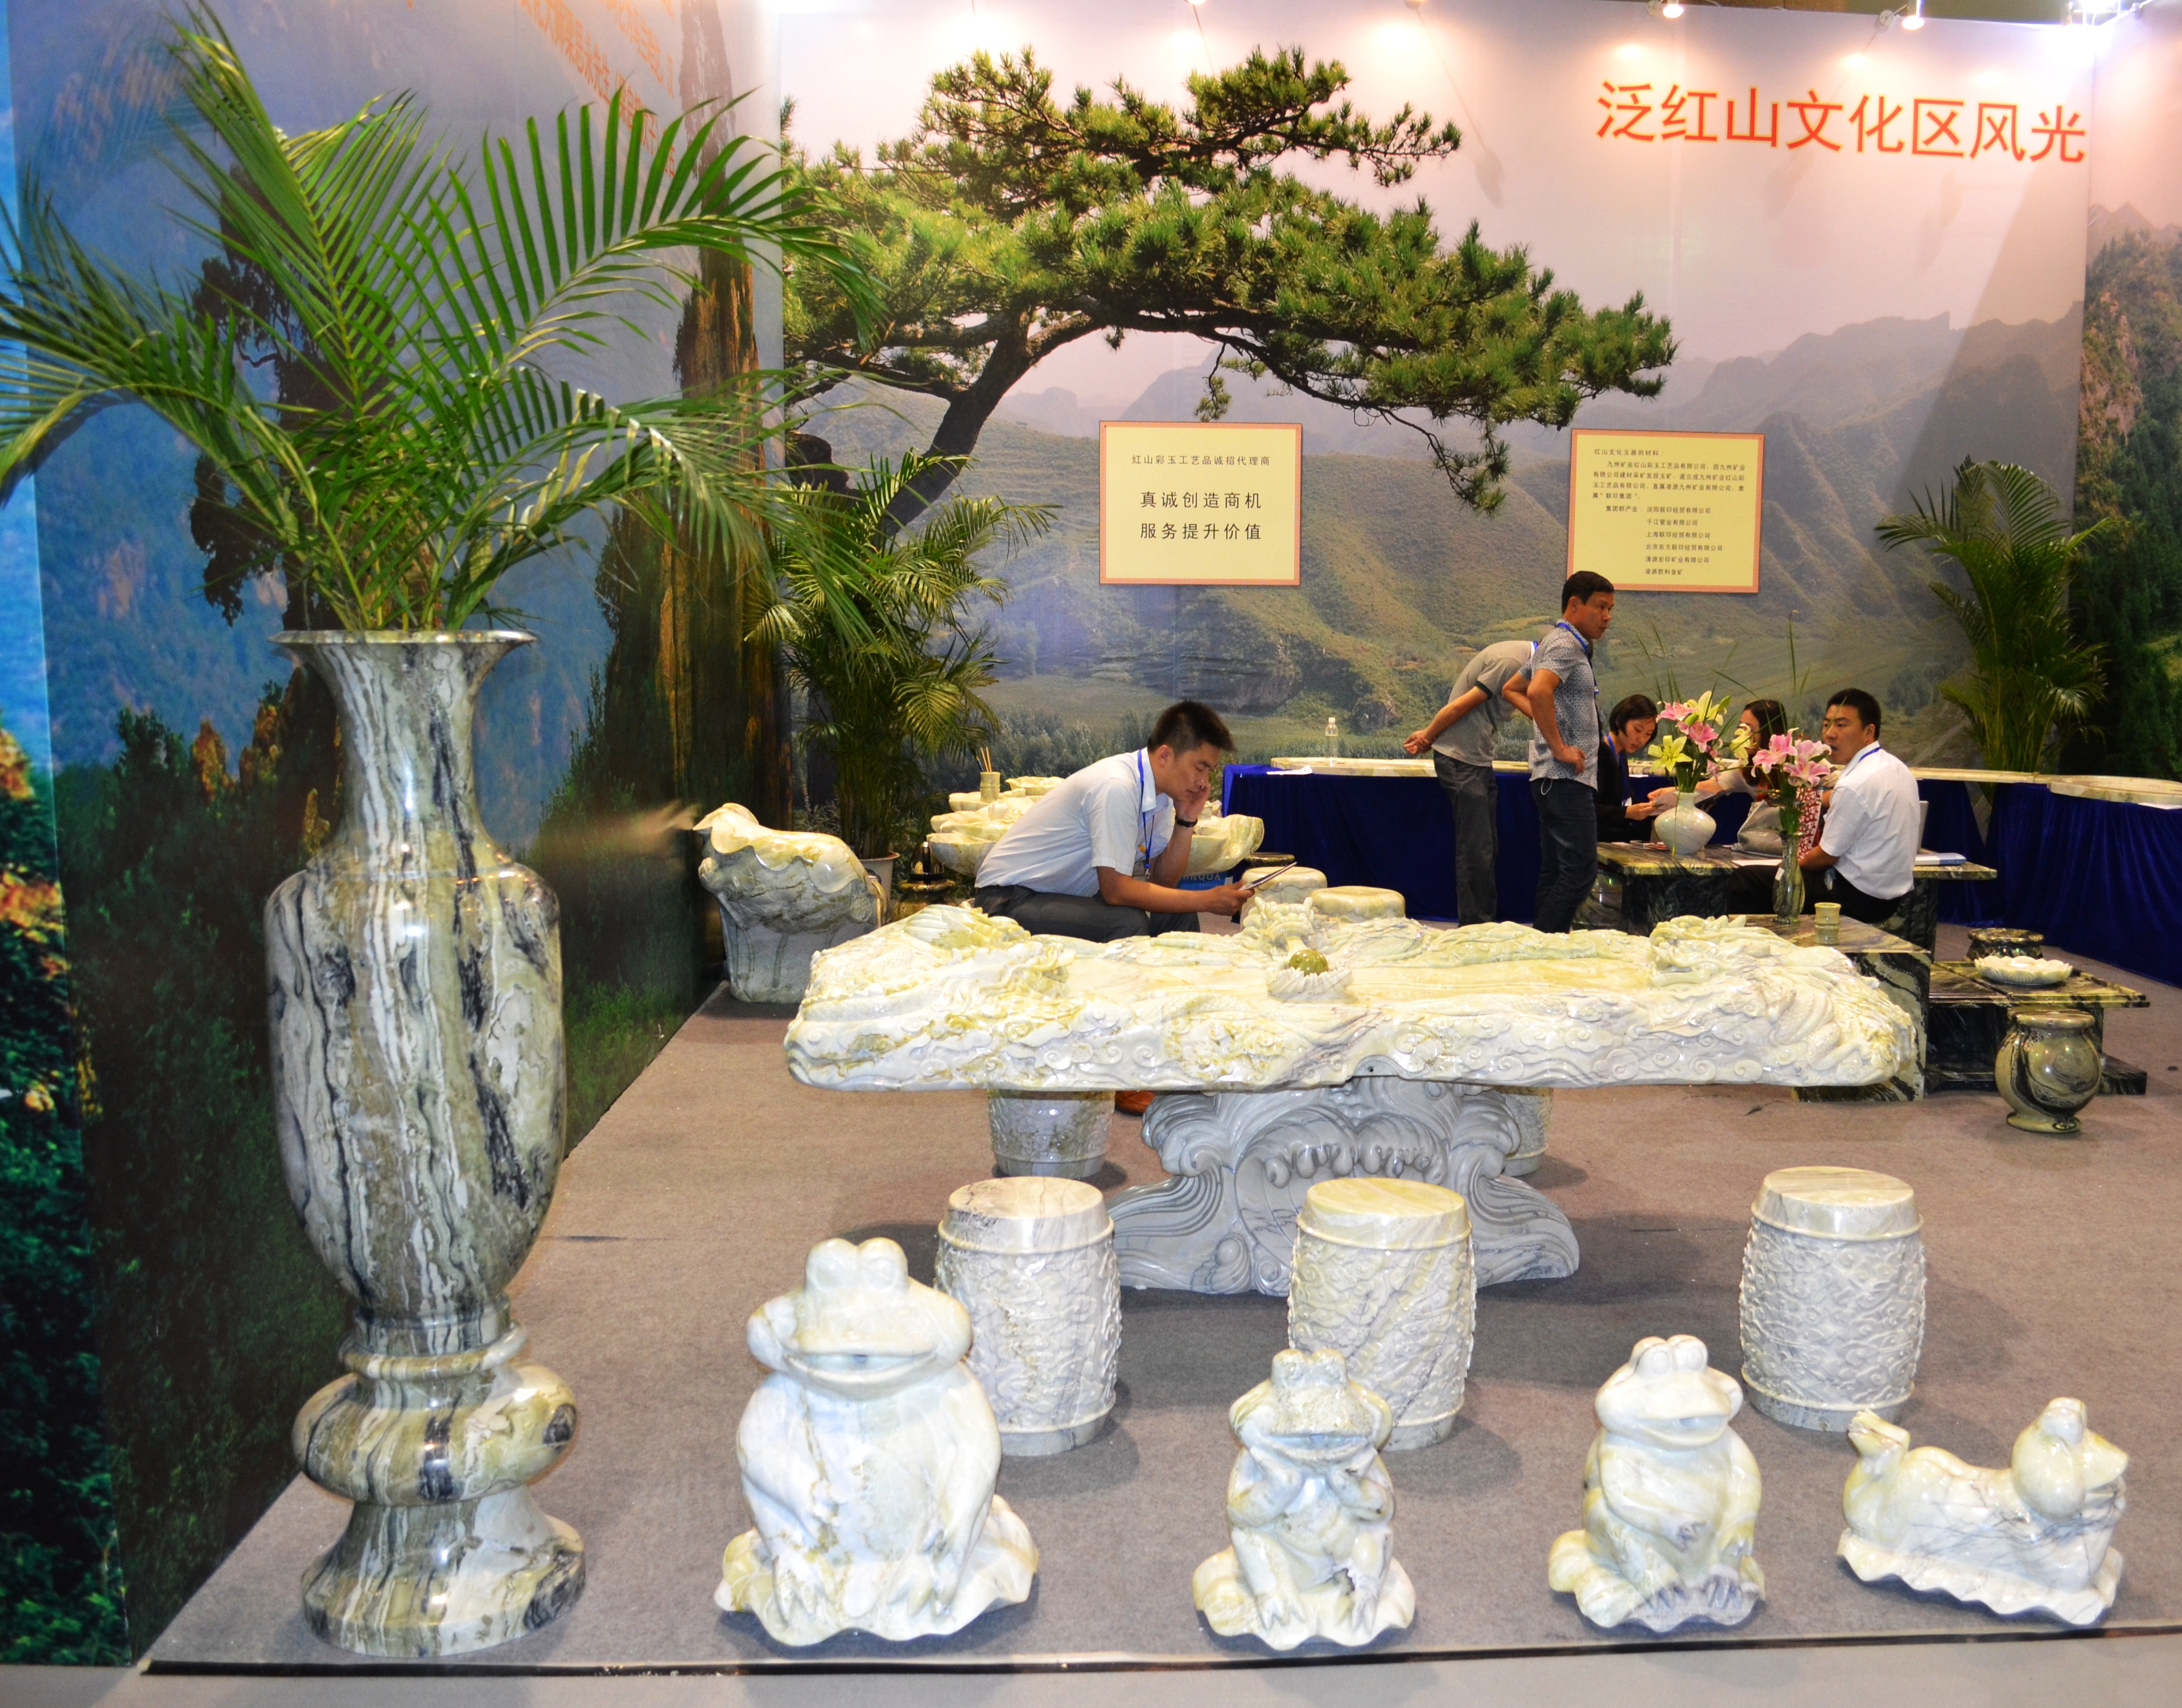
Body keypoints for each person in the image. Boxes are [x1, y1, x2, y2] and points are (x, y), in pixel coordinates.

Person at [974, 700, 1253, 942]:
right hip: (1009, 899)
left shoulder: (1161, 792)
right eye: (1199, 768)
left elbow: (1164, 880)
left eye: (1209, 772)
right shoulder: (1116, 785)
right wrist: (1207, 900)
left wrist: (1186, 819)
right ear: (1166, 755)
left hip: (1058, 897)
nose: (1204, 782)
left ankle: (1177, 993)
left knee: (1177, 916)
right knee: (1127, 922)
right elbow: (1115, 891)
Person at [1403, 640, 1535, 925]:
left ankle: (1482, 925)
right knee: (1477, 850)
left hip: (1476, 758)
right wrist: (1428, 735)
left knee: (1487, 848)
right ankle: (1476, 929)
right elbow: (1460, 706)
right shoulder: (1511, 663)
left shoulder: (1524, 659)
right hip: (1461, 760)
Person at [1526, 571, 1615, 933]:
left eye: (1611, 609)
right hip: (1565, 780)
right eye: (1600, 607)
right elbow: (1535, 692)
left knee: (1557, 872)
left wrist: (1551, 726)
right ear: (1575, 605)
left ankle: (1543, 948)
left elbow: (1516, 687)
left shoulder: (1557, 643)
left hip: (1553, 780)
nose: (1607, 616)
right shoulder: (1565, 645)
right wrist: (1559, 746)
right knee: (1580, 872)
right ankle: (1542, 948)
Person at [1798, 687, 1920, 925]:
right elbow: (1847, 798)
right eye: (1826, 725)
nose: (1830, 735)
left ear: (1869, 731)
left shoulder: (1855, 782)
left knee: (1750, 880)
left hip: (1855, 897)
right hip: (1892, 895)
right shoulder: (1893, 766)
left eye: (1841, 725)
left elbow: (1825, 856)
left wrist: (1791, 862)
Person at [1596, 694, 1665, 844]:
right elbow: (1588, 808)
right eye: (1638, 730)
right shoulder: (1600, 753)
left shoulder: (1621, 755)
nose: (1641, 740)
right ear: (1619, 721)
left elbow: (1626, 798)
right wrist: (1628, 813)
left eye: (1648, 734)